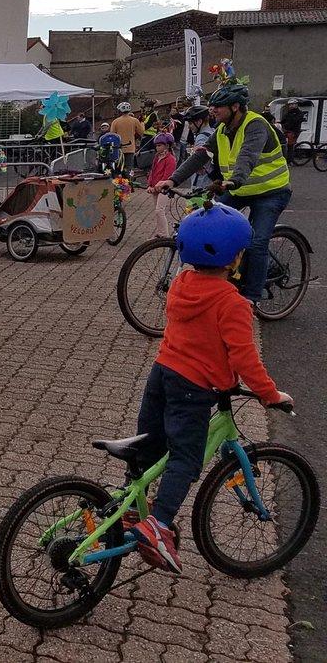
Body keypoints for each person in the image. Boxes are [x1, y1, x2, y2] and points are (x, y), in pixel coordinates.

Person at [127, 204, 291, 573]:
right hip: (192, 387)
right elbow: (245, 357)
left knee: (148, 443)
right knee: (186, 458)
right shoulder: (230, 302)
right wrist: (268, 393)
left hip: (162, 374)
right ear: (235, 257)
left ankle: (130, 509)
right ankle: (158, 525)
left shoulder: (181, 285)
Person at [153, 78, 291, 304]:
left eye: (218, 107)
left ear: (235, 106)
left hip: (270, 192)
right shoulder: (221, 130)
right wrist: (172, 180)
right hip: (239, 190)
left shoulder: (256, 125)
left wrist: (234, 180)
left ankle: (251, 299)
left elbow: (248, 155)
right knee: (212, 225)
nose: (213, 110)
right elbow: (200, 155)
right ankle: (224, 280)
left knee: (256, 243)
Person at [147, 132, 177, 237]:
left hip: (165, 189)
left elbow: (167, 176)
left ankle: (164, 234)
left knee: (160, 210)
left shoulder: (171, 159)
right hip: (155, 187)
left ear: (167, 146)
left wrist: (155, 188)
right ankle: (160, 233)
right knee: (157, 211)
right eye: (156, 145)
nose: (157, 148)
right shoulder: (157, 157)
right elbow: (153, 171)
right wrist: (150, 184)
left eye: (159, 145)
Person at [181, 105, 215, 190]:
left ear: (200, 121)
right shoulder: (212, 132)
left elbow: (199, 161)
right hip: (212, 179)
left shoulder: (201, 137)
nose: (189, 126)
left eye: (191, 123)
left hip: (202, 182)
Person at [110, 102, 144, 174]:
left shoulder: (115, 122)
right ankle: (130, 182)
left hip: (118, 148)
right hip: (130, 147)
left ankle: (119, 182)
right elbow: (141, 132)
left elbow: (112, 135)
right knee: (130, 167)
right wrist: (142, 123)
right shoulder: (134, 120)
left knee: (119, 167)